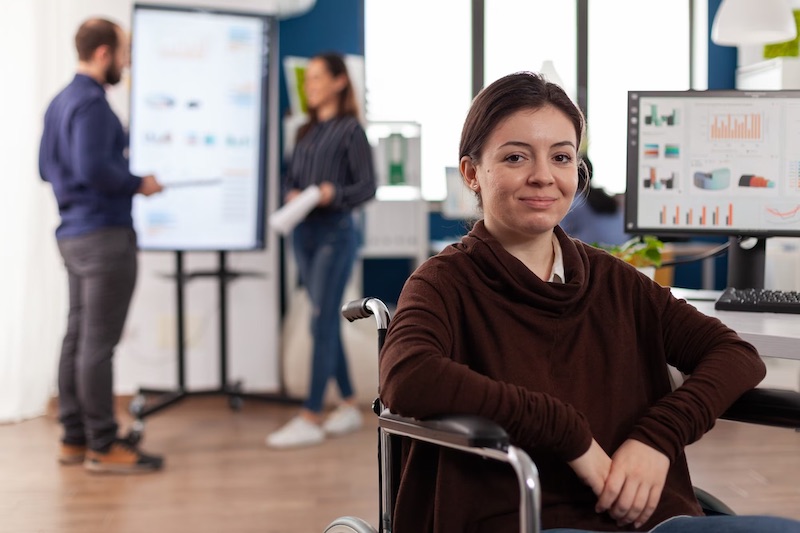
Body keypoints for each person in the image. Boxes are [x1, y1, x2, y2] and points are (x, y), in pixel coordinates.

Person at [378, 72, 800, 532]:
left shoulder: (615, 281)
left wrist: (657, 438)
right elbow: (407, 376)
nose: (543, 176)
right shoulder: (444, 282)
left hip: (655, 520)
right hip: (524, 518)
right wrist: (566, 432)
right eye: (516, 156)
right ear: (472, 172)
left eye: (561, 157)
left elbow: (734, 355)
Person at [39, 18, 164, 473]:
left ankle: (74, 439)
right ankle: (103, 444)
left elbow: (45, 168)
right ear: (104, 53)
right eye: (125, 51)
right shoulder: (92, 103)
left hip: (72, 234)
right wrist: (139, 183)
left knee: (77, 337)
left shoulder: (59, 102)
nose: (128, 61)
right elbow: (94, 168)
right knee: (96, 345)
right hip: (104, 236)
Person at [266, 52, 377, 449]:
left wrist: (333, 193)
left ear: (338, 82)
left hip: (335, 234)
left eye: (316, 78)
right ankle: (347, 403)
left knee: (320, 321)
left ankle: (311, 415)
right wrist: (292, 193)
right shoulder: (304, 132)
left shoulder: (351, 131)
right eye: (307, 79)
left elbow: (367, 187)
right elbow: (287, 177)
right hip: (304, 235)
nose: (309, 85)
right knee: (322, 321)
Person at [560, 156, 632, 247]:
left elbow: (555, 234)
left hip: (596, 255)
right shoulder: (604, 198)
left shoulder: (576, 203)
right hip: (623, 250)